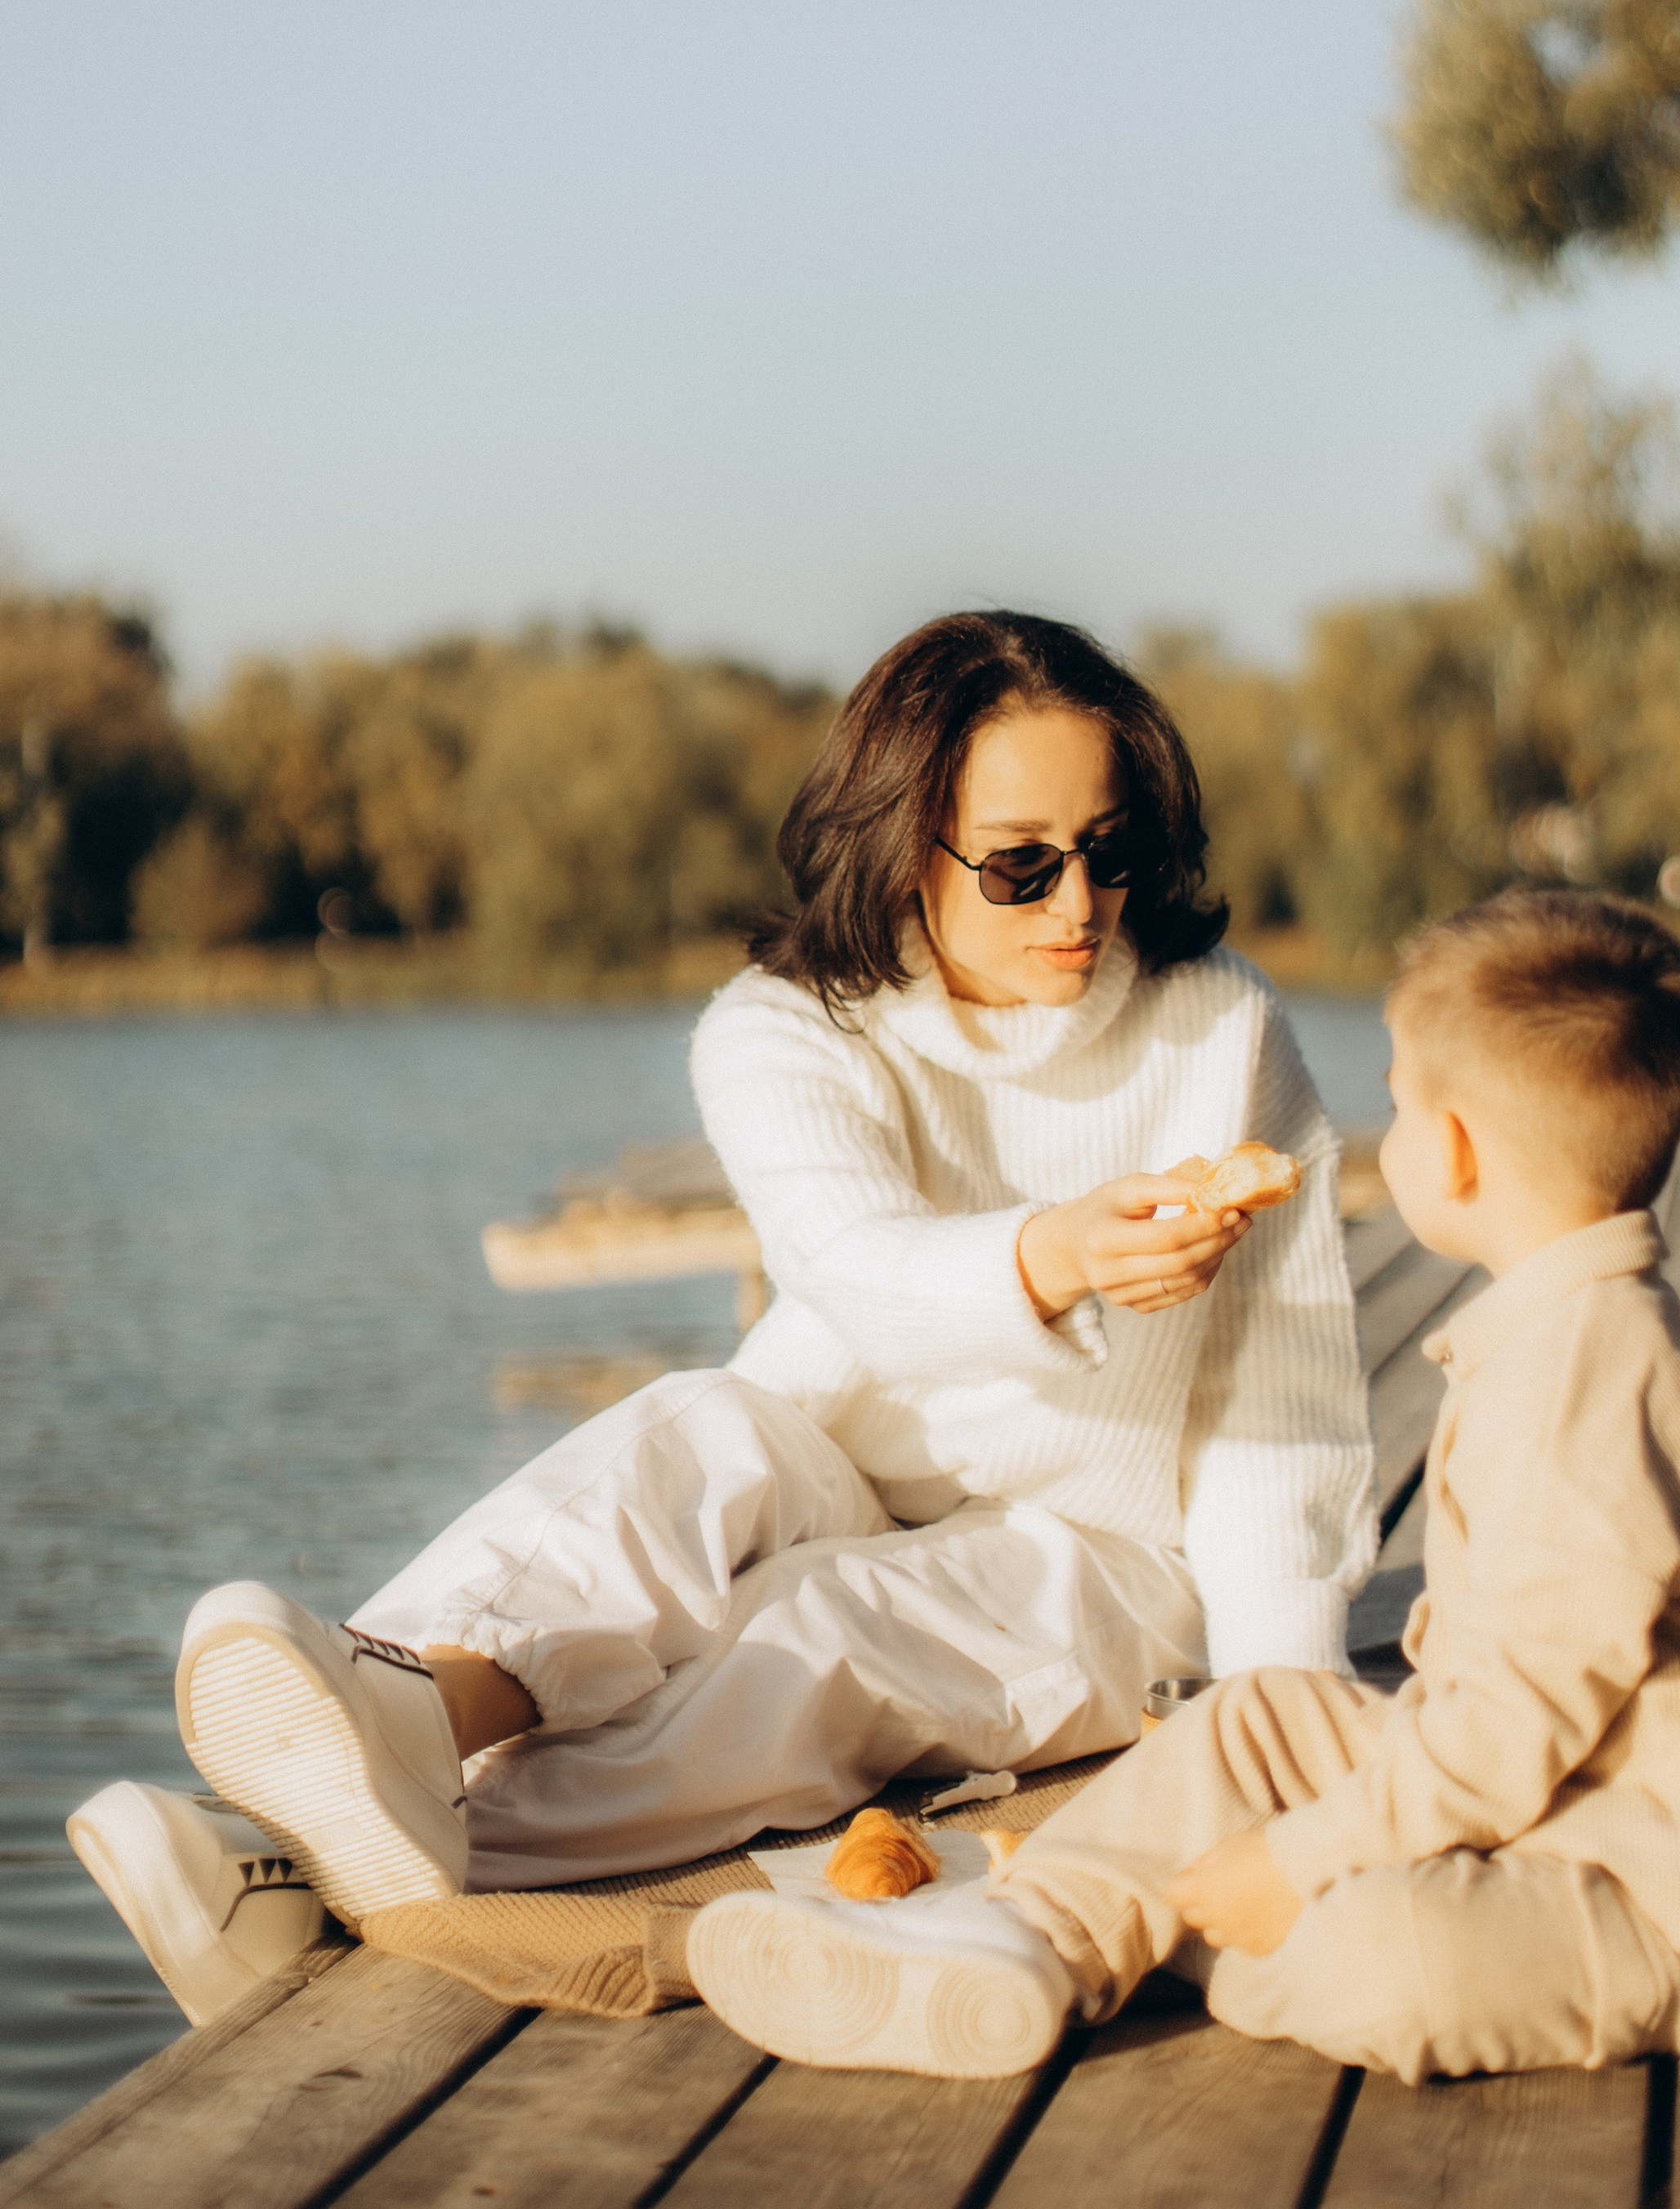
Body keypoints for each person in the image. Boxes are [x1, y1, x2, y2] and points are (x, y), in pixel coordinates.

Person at [85, 610, 1373, 2012]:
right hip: (846, 1460)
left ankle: (285, 1871)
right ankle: (410, 1706)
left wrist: (1277, 1720)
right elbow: (853, 1265)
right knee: (694, 1426)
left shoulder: (1222, 1033)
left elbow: (1283, 1410)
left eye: (1110, 852)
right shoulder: (783, 1028)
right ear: (902, 847)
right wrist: (1056, 1257)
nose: (1078, 905)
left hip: (1109, 1554)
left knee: (814, 1634)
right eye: (1020, 865)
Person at [687, 888, 1680, 2086]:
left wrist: (1299, 1861)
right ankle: (1031, 1934)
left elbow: (1516, 1727)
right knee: (1259, 1713)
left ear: (1452, 1151)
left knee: (1382, 1949)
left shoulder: (1592, 1385)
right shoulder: (1567, 1331)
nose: (1383, 1127)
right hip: (1544, 1795)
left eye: (1398, 1101)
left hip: (1655, 1896)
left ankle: (1139, 1935)